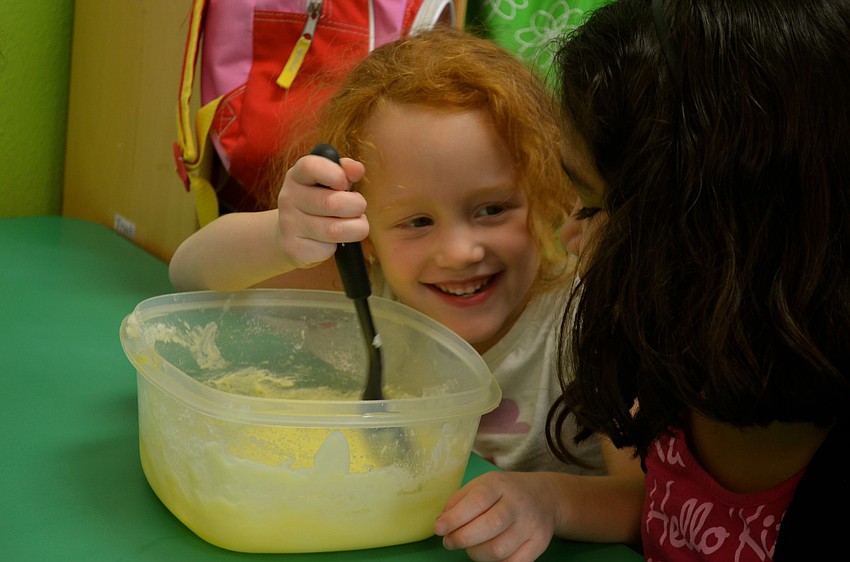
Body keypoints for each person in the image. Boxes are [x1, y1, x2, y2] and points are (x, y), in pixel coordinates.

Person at [435, 0, 850, 560]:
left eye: (587, 207)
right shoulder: (667, 381)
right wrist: (549, 498)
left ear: (707, 236)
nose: (569, 235)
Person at [169, 27, 607, 475]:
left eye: (492, 209)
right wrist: (284, 237)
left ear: (546, 191)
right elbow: (190, 274)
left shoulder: (584, 323)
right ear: (367, 235)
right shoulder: (367, 286)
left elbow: (638, 505)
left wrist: (549, 504)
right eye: (417, 222)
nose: (459, 252)